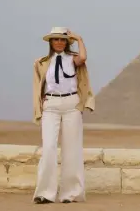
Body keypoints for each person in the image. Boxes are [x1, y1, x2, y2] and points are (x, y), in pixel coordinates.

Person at [32, 27, 95, 204]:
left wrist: (79, 38)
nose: (59, 42)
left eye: (62, 39)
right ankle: (45, 193)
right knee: (49, 148)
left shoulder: (73, 59)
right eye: (55, 39)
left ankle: (71, 193)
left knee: (72, 149)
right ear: (50, 42)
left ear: (67, 42)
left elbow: (83, 57)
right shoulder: (41, 62)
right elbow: (38, 86)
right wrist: (40, 105)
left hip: (71, 105)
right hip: (51, 105)